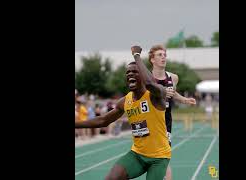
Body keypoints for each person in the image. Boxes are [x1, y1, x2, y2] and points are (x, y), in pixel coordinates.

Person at [75, 45, 171, 180]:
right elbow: (103, 120)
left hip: (159, 157)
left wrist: (136, 55)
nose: (130, 74)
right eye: (127, 73)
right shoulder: (125, 101)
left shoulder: (156, 94)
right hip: (137, 155)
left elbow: (150, 83)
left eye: (135, 72)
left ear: (143, 75)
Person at [148, 44, 197, 180]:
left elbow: (173, 93)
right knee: (150, 158)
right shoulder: (146, 78)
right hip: (149, 120)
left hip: (165, 121)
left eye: (165, 55)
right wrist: (161, 93)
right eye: (159, 55)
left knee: (164, 157)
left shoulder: (173, 77)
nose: (163, 57)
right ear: (152, 59)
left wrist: (185, 100)